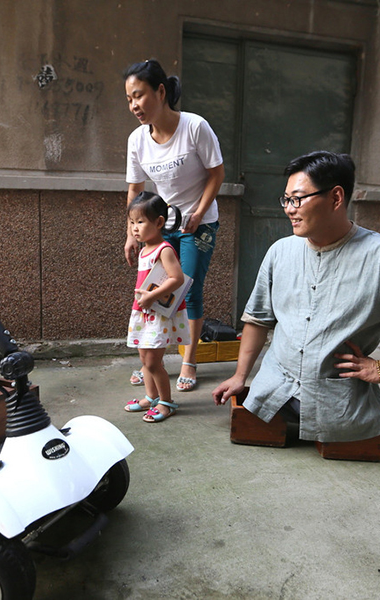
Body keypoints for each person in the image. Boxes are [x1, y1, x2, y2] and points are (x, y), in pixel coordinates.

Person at [212, 151, 380, 450]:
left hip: (340, 409)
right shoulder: (280, 251)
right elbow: (258, 319)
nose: (289, 209)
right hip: (270, 394)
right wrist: (240, 376)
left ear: (336, 198)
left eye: (297, 199)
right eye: (285, 200)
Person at [123, 59, 225, 392]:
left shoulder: (195, 127)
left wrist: (198, 212)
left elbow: (217, 174)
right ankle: (151, 362)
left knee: (188, 290)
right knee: (155, 291)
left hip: (200, 223)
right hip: (160, 224)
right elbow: (136, 190)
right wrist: (131, 233)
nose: (134, 105)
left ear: (161, 91)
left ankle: (189, 360)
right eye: (129, 99)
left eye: (139, 95)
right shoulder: (137, 140)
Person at [123, 192, 191, 423]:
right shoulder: (144, 250)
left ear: (159, 223)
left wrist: (152, 296)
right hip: (143, 310)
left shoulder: (164, 249)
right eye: (132, 222)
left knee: (153, 362)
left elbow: (177, 278)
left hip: (158, 314)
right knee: (144, 359)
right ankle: (151, 397)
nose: (134, 228)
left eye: (140, 222)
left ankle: (166, 402)